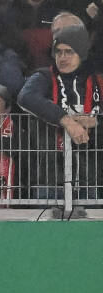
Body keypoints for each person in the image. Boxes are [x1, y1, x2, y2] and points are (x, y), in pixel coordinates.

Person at [18, 24, 102, 199]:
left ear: (82, 53)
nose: (63, 57)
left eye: (69, 51)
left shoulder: (98, 81)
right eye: (58, 52)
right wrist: (67, 121)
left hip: (91, 176)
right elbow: (26, 97)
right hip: (49, 176)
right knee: (48, 226)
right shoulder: (43, 76)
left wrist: (96, 121)